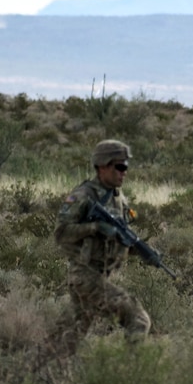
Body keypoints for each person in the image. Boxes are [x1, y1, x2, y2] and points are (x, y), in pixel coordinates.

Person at [52, 139, 151, 355]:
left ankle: (34, 373)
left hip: (99, 276)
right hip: (85, 275)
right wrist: (95, 227)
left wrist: (140, 249)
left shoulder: (118, 198)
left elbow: (118, 235)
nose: (124, 172)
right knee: (138, 319)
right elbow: (60, 234)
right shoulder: (83, 196)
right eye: (120, 166)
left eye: (126, 167)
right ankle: (133, 375)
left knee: (68, 338)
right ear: (103, 166)